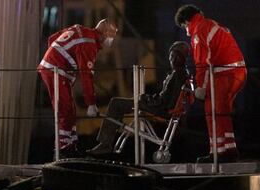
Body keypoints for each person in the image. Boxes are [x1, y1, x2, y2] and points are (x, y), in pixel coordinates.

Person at [86, 41, 192, 155]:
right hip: (159, 107)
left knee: (115, 103)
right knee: (124, 103)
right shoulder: (182, 74)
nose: (170, 59)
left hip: (159, 109)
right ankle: (109, 137)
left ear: (176, 57)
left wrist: (147, 99)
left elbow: (166, 102)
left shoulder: (178, 75)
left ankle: (105, 143)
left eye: (172, 56)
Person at [174, 5, 247, 162]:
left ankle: (219, 153)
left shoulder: (198, 32)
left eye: (184, 26)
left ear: (186, 21)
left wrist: (201, 87)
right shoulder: (211, 24)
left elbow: (202, 63)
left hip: (224, 73)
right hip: (236, 71)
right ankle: (229, 149)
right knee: (221, 112)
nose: (186, 30)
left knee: (212, 111)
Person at [38, 19, 118, 158]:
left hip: (54, 69)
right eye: (110, 38)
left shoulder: (79, 28)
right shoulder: (89, 45)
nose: (109, 42)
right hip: (55, 71)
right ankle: (63, 149)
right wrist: (91, 104)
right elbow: (86, 76)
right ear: (104, 33)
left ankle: (70, 144)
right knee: (65, 108)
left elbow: (52, 39)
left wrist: (57, 59)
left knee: (69, 108)